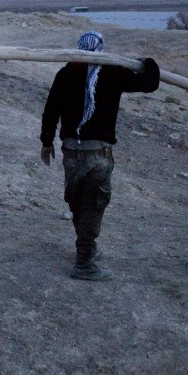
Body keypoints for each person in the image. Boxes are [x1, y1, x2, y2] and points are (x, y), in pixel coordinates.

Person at [39, 30, 160, 281]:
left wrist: (47, 141)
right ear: (101, 49)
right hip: (97, 155)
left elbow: (51, 109)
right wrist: (148, 63)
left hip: (71, 151)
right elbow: (150, 83)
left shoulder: (66, 73)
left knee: (77, 202)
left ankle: (88, 249)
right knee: (92, 206)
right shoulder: (113, 72)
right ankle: (84, 263)